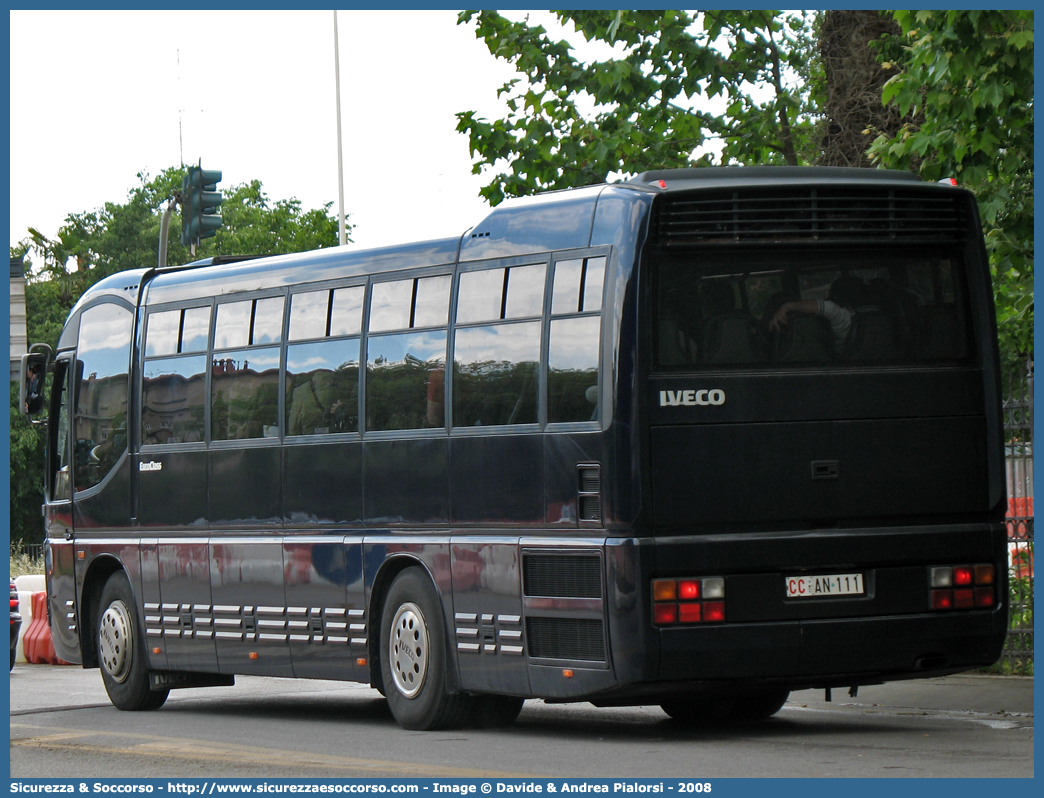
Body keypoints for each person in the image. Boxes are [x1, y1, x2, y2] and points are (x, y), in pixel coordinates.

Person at [768, 274, 870, 351]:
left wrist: (787, 306)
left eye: (832, 299)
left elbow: (829, 308)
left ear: (847, 305)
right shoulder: (874, 319)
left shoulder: (845, 319)